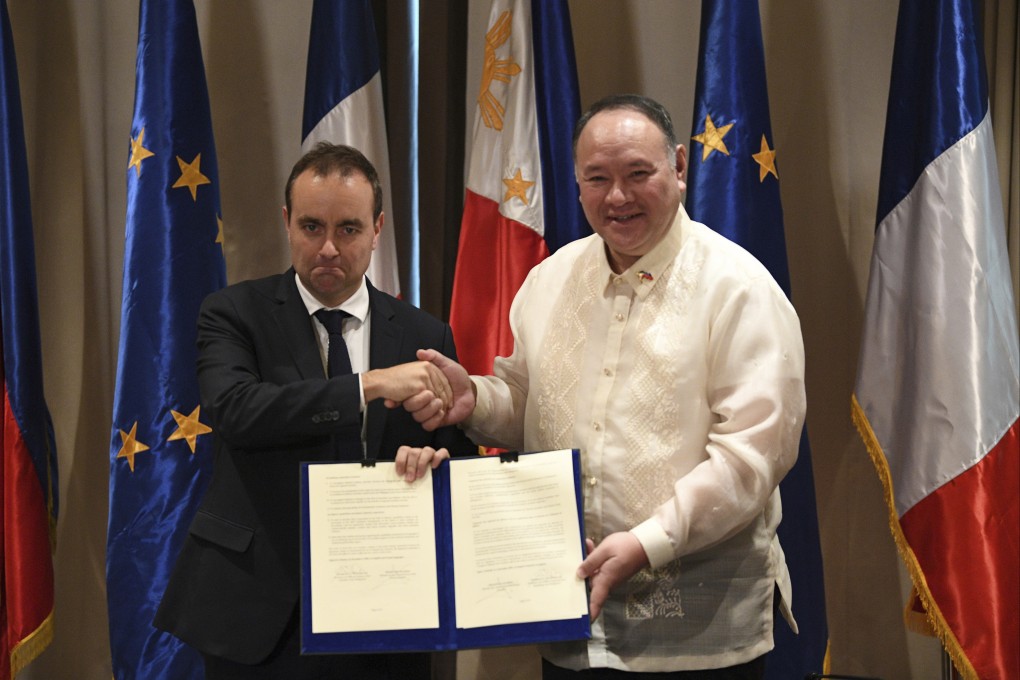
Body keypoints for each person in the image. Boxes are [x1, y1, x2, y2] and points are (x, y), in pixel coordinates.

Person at [411, 94, 806, 678]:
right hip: (567, 615)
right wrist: (476, 401)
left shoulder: (739, 288)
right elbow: (530, 407)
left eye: (637, 174)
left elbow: (752, 458)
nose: (617, 197)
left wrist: (647, 542)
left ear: (678, 166)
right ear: (577, 184)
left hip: (696, 634)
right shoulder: (549, 279)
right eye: (597, 178)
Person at [154, 142, 475, 679]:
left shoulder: (425, 334)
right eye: (311, 227)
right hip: (260, 610)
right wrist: (369, 385)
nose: (328, 248)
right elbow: (237, 410)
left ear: (377, 229)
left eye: (348, 229)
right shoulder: (233, 312)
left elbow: (456, 456)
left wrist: (434, 462)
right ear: (286, 222)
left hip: (389, 608)